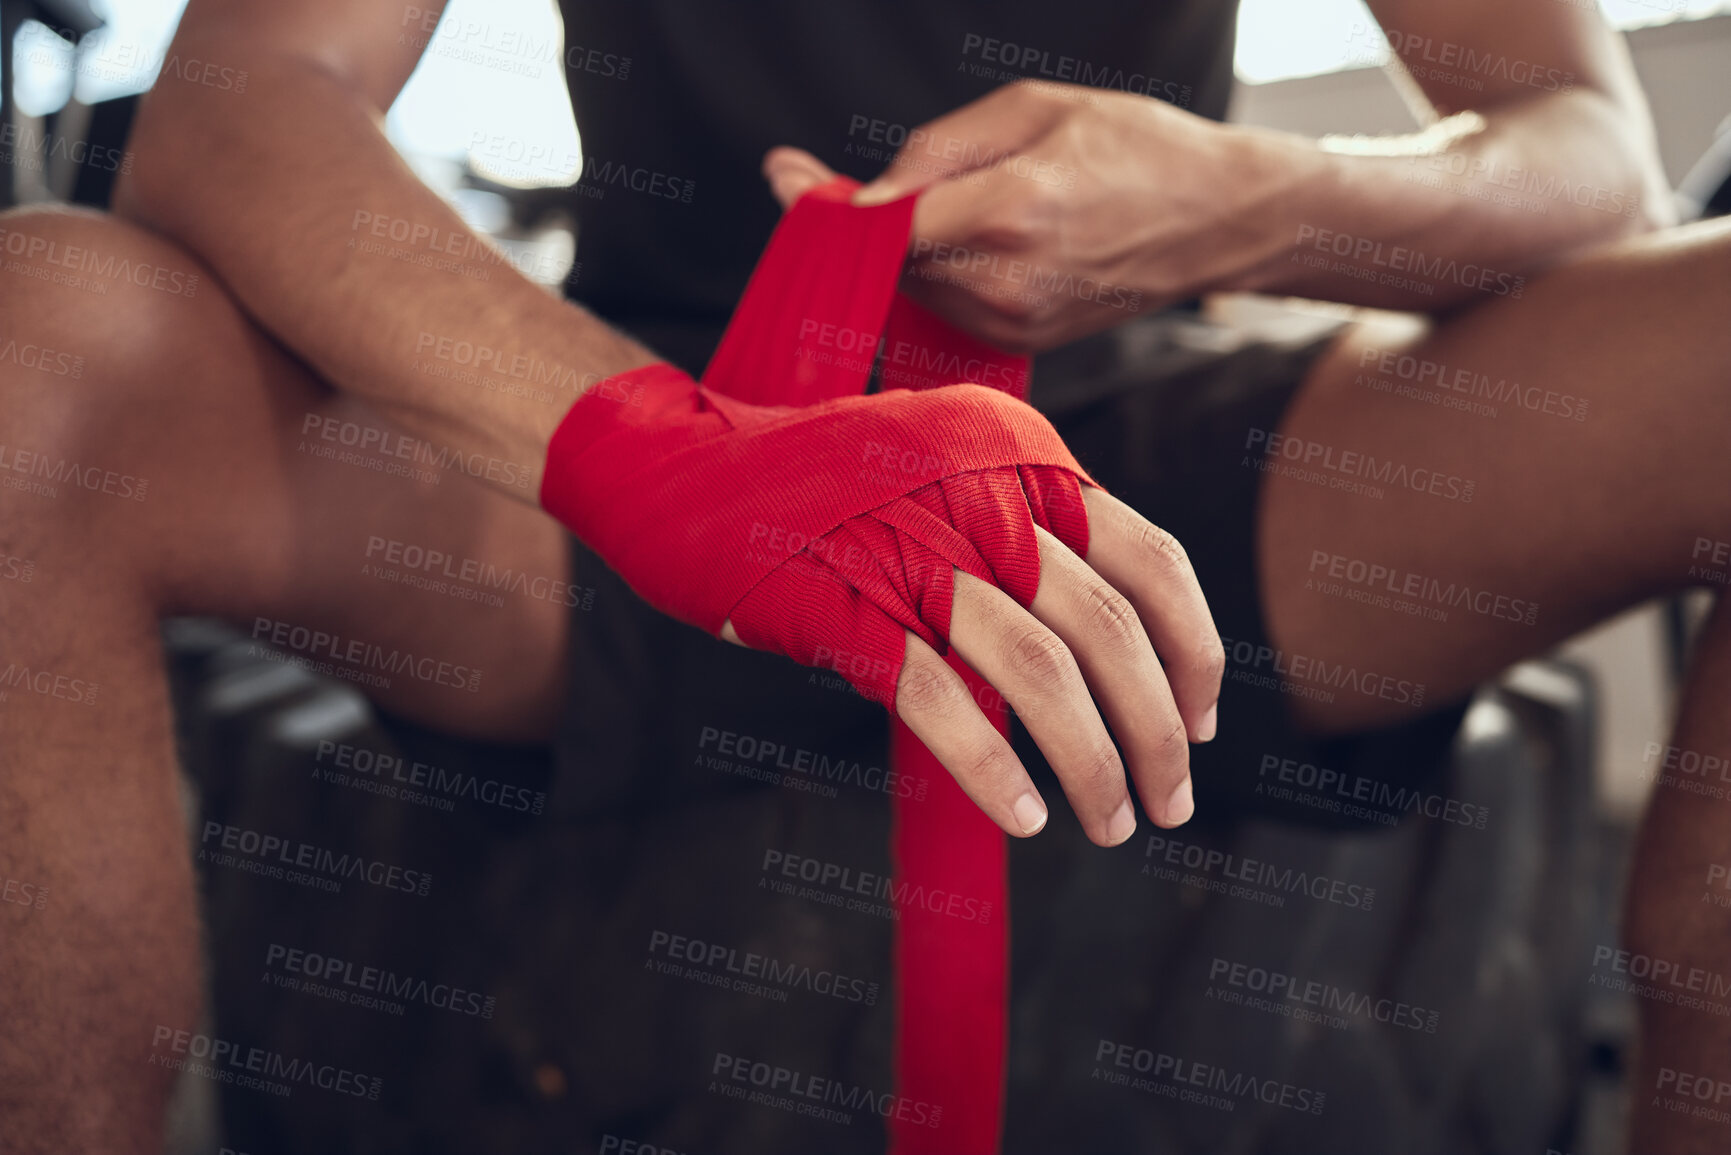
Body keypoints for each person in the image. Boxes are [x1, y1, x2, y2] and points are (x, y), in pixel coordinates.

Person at [0, 0, 1725, 1151]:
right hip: (596, 454)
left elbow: (1587, 151)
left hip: (1142, 466)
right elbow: (238, 107)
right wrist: (664, 458)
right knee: (36, 340)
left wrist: (1256, 203)